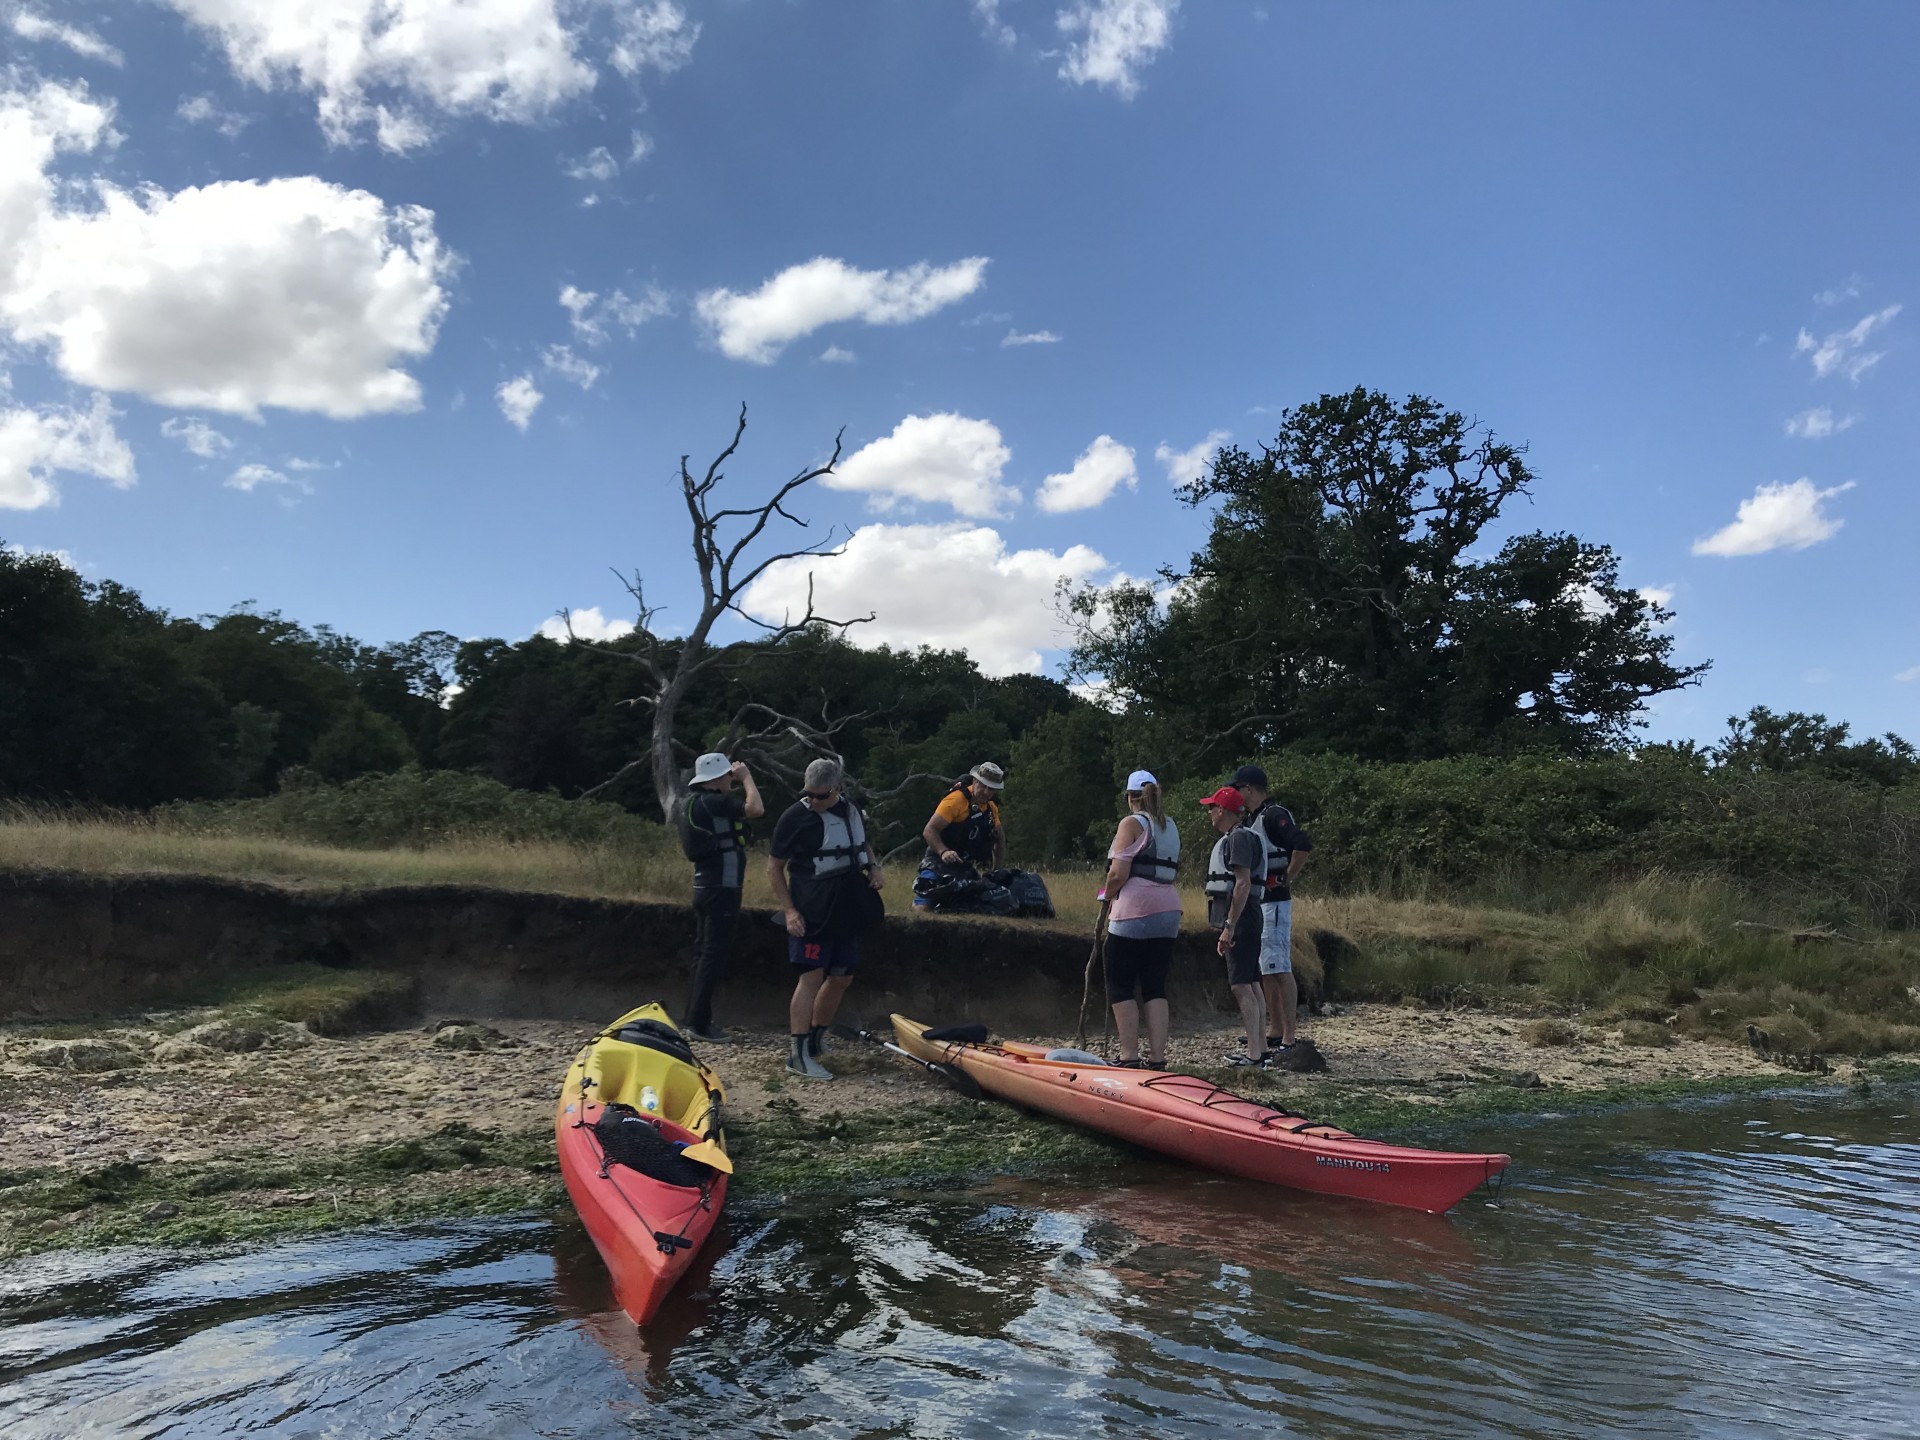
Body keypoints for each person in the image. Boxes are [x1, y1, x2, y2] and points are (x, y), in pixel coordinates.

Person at [767, 757, 885, 1080]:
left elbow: (861, 843)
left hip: (847, 904)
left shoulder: (851, 808)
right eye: (809, 794)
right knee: (811, 977)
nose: (813, 801)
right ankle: (798, 1053)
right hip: (812, 907)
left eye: (821, 795)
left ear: (838, 788)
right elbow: (774, 867)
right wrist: (790, 910)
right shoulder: (794, 818)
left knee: (842, 976)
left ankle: (818, 1039)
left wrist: (873, 866)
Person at [1230, 764, 1315, 1057]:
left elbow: (1302, 842)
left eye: (1238, 789)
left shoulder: (1273, 814)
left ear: (1249, 789)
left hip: (1275, 900)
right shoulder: (1254, 818)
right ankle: (1275, 1029)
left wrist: (1287, 876)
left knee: (1279, 966)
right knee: (1267, 966)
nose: (1236, 795)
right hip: (1262, 901)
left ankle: (1289, 1036)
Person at [1100, 769, 1182, 1068]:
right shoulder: (1169, 825)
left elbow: (1118, 873)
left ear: (1129, 797)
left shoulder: (1131, 823)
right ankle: (1158, 1060)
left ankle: (1129, 1057)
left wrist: (1106, 895)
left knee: (1120, 984)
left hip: (1134, 910)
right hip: (1169, 910)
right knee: (1154, 985)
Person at [680, 751, 764, 1043]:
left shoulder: (695, 802)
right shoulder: (715, 801)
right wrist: (747, 778)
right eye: (728, 775)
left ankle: (693, 1019)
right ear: (716, 778)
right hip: (722, 890)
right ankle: (699, 1025)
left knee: (703, 955)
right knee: (712, 957)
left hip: (705, 887)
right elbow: (755, 809)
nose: (732, 778)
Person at [1200, 786, 1266, 1066]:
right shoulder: (1244, 836)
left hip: (1244, 917)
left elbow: (1242, 882)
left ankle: (1254, 1054)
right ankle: (1260, 1049)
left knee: (1241, 985)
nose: (1210, 812)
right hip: (1250, 916)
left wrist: (1229, 926)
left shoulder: (1238, 838)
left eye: (1212, 807)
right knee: (1252, 982)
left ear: (1223, 811)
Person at [915, 762, 1006, 909]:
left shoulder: (991, 809)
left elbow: (999, 840)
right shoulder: (955, 801)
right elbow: (930, 830)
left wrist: (996, 871)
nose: (987, 792)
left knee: (973, 907)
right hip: (937, 864)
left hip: (964, 869)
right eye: (983, 786)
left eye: (991, 789)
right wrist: (943, 851)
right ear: (975, 781)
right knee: (924, 907)